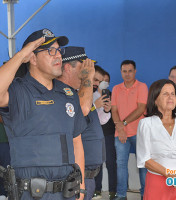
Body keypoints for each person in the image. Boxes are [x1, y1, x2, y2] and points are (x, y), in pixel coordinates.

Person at [0, 29, 87, 200]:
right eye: (50, 51)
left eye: (59, 50)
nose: (58, 56)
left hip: (67, 192)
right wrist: (20, 55)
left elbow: (76, 141)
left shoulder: (68, 94)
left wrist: (81, 189)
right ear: (32, 58)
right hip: (30, 193)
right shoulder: (18, 91)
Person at [136, 79, 176, 200]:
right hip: (157, 184)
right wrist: (170, 174)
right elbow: (144, 159)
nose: (170, 97)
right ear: (155, 99)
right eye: (165, 94)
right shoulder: (146, 124)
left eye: (173, 94)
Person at [58, 46, 106, 200]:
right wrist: (87, 79)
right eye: (84, 67)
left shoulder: (79, 93)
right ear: (67, 68)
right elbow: (83, 109)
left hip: (86, 177)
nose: (89, 72)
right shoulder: (61, 93)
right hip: (75, 177)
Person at [111, 60, 148, 200]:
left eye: (130, 71)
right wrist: (119, 127)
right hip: (120, 133)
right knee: (120, 165)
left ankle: (145, 194)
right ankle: (121, 195)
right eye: (124, 71)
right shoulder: (116, 89)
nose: (127, 74)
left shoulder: (142, 87)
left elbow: (140, 109)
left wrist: (123, 123)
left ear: (135, 71)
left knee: (143, 165)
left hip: (139, 132)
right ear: (121, 72)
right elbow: (114, 110)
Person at [93, 70, 117, 200]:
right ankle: (97, 189)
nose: (103, 83)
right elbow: (89, 114)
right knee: (97, 164)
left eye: (106, 81)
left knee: (111, 163)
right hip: (95, 135)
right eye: (101, 80)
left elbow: (114, 115)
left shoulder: (113, 95)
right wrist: (95, 106)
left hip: (109, 134)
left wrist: (108, 110)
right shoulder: (90, 95)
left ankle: (113, 190)